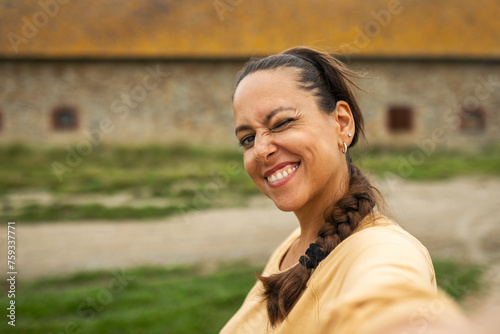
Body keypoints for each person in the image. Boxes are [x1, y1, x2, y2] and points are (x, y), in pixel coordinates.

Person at [220, 47, 467, 334]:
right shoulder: (292, 246)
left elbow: (391, 305)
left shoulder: (383, 249)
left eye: (283, 123)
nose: (261, 150)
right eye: (247, 139)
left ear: (341, 123)